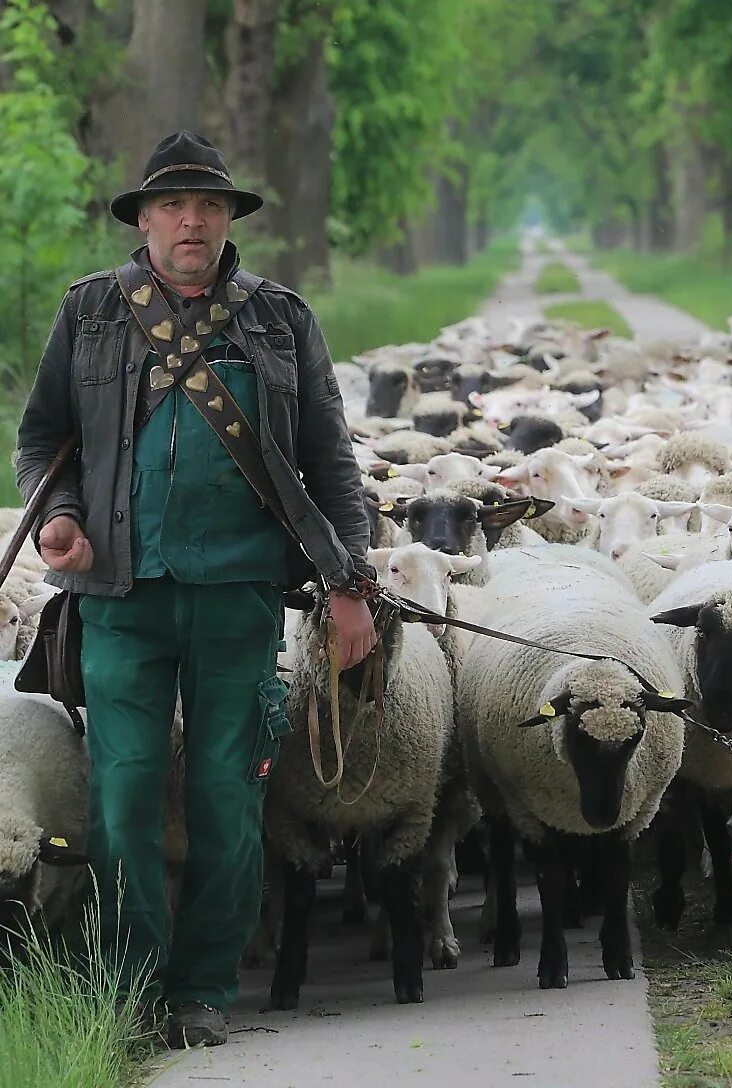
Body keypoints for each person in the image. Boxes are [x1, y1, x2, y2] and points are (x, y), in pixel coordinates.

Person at [15, 131, 377, 1048]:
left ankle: (204, 990)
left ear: (228, 220)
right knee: (122, 793)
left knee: (228, 794)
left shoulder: (280, 319)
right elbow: (40, 439)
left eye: (208, 206)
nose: (191, 221)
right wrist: (58, 514)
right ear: (142, 219)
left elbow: (330, 462)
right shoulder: (91, 312)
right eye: (173, 206)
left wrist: (349, 583)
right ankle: (130, 987)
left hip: (240, 594)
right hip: (117, 596)